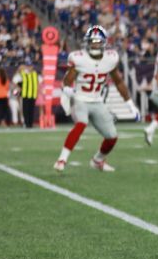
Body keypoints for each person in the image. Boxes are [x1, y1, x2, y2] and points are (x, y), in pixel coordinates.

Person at [54, 26, 140, 172]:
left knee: (112, 136)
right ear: (87, 43)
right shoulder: (78, 58)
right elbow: (67, 80)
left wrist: (130, 104)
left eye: (98, 42)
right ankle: (62, 159)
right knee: (81, 123)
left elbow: (118, 82)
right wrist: (67, 90)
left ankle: (97, 161)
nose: (95, 45)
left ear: (104, 43)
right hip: (80, 98)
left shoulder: (110, 59)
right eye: (92, 42)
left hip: (97, 101)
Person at [16, 62, 40, 129]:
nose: (29, 67)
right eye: (28, 66)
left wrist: (38, 93)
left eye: (30, 66)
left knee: (31, 110)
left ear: (32, 67)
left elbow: (38, 84)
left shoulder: (35, 74)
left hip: (33, 94)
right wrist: (24, 67)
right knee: (25, 110)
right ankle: (26, 123)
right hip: (25, 95)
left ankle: (30, 123)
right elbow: (18, 70)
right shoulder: (23, 73)